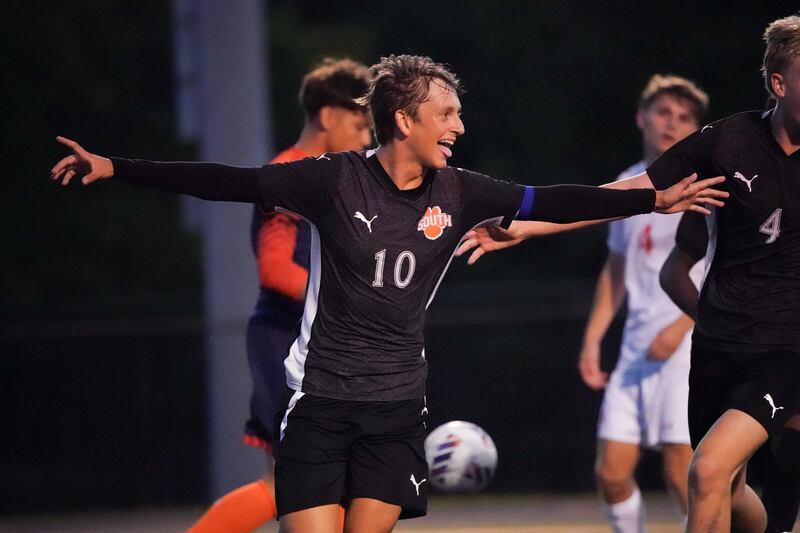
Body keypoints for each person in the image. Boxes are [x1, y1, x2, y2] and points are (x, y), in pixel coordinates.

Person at [50, 54, 726, 533]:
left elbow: (555, 198)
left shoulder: (461, 191)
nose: (459, 126)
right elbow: (224, 180)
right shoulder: (331, 181)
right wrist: (116, 167)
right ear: (404, 120)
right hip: (318, 405)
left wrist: (651, 198)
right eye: (447, 113)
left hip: (395, 412)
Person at [457, 14, 800, 532]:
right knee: (726, 490)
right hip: (718, 345)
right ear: (780, 83)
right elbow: (629, 195)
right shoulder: (728, 142)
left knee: (703, 471)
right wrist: (530, 225)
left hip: (785, 351)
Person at [188, 58, 372, 533]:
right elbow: (274, 270)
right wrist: (350, 305)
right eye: (360, 125)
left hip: (318, 344)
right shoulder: (290, 175)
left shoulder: (337, 179)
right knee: (288, 485)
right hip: (285, 338)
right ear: (328, 116)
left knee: (332, 487)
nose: (367, 139)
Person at [575, 75, 708, 533]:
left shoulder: (701, 187)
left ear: (696, 129)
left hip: (686, 347)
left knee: (682, 472)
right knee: (610, 474)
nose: (672, 123)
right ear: (642, 118)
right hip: (635, 349)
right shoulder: (624, 184)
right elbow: (617, 269)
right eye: (664, 113)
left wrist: (683, 326)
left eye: (685, 118)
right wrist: (593, 340)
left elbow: (718, 271)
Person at [661, 210, 800, 533]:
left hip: (788, 361)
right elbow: (673, 272)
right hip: (728, 358)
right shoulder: (727, 175)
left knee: (716, 473)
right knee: (724, 485)